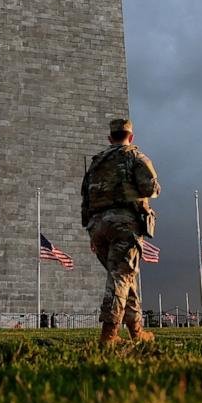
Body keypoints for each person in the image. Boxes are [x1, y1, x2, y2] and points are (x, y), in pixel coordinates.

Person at [81, 118, 161, 346]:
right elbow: (150, 188)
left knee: (126, 278)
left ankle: (137, 332)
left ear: (110, 138)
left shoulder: (96, 163)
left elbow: (85, 197)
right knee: (120, 278)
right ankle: (109, 335)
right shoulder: (135, 157)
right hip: (123, 225)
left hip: (97, 227)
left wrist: (92, 231)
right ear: (131, 136)